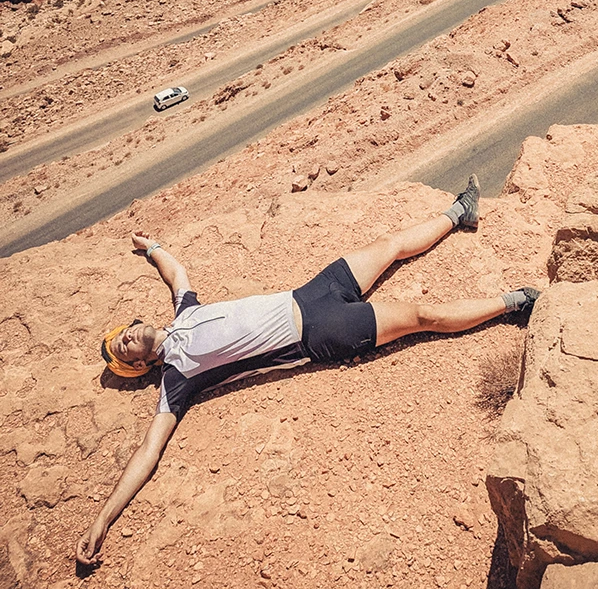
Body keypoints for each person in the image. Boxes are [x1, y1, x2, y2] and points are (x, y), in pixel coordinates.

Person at [75, 176, 539, 566]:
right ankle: (517, 301)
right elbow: (148, 452)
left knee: (389, 246)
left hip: (309, 293)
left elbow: (176, 273)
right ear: (140, 365)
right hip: (320, 333)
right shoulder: (179, 377)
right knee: (423, 316)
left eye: (123, 333)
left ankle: (460, 212)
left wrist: (150, 246)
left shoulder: (184, 313)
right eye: (124, 349)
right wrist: (102, 518)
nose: (127, 337)